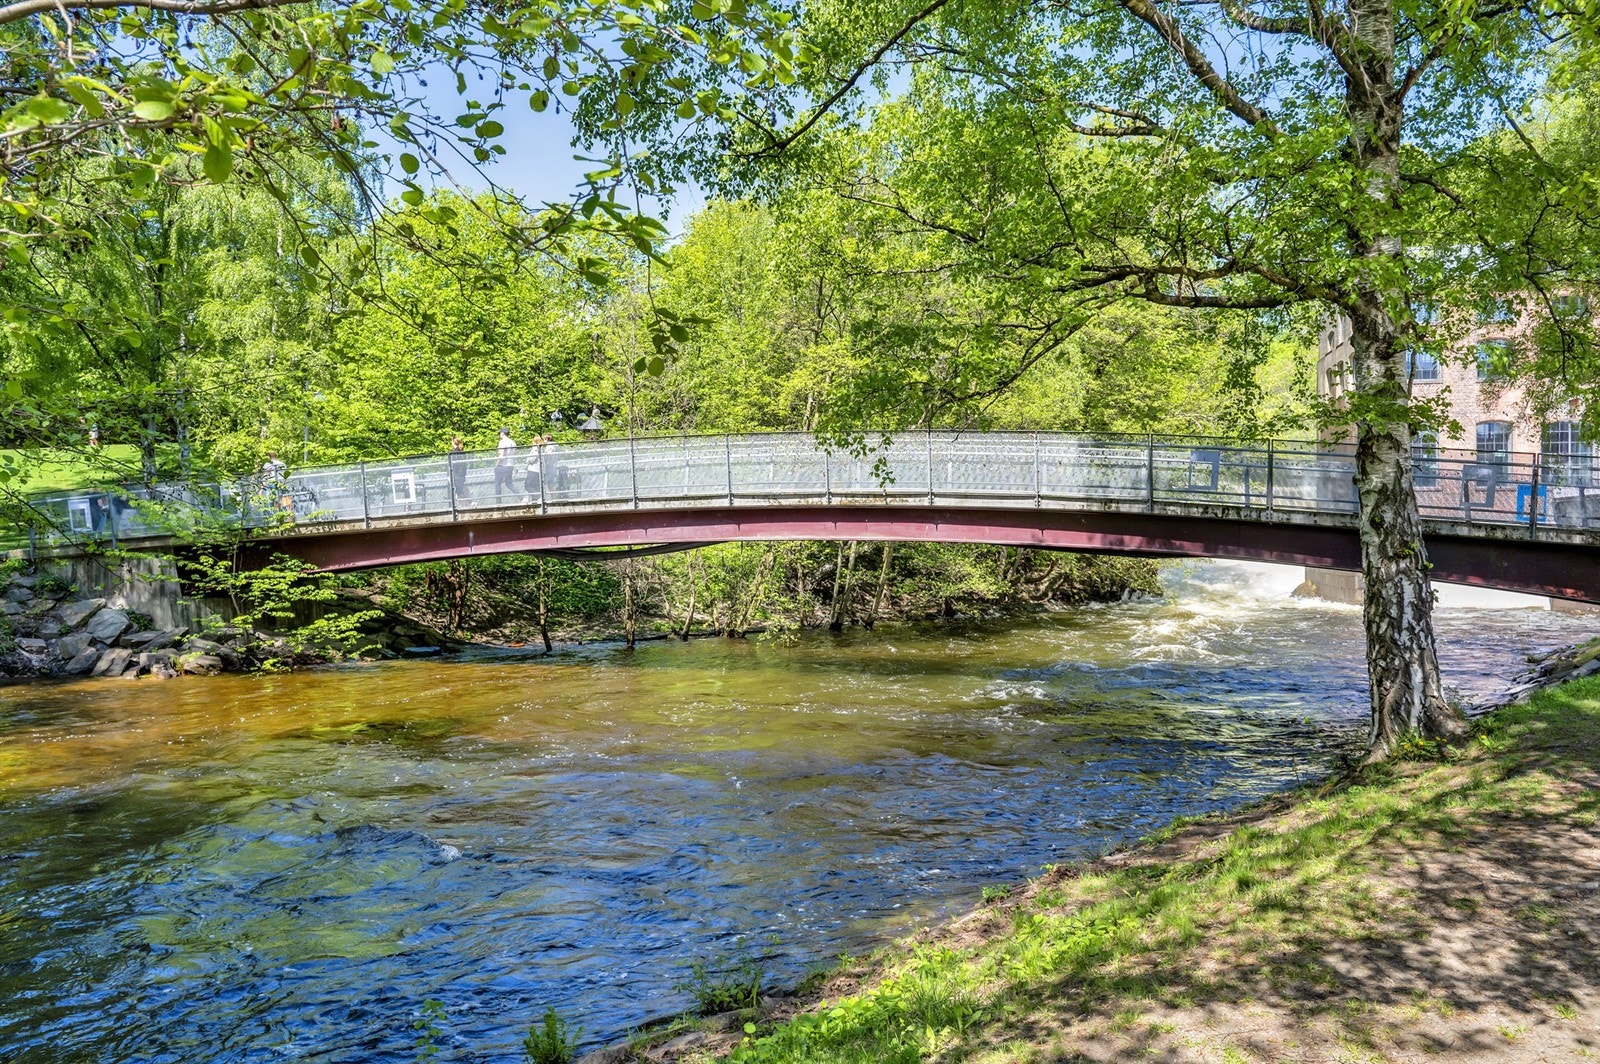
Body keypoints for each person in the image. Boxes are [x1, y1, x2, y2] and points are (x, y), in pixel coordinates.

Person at [494, 427, 517, 501]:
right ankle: (522, 497)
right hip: (510, 465)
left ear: (502, 433)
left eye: (500, 433)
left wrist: (496, 465)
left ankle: (498, 502)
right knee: (509, 483)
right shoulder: (513, 442)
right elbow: (514, 455)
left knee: (497, 483)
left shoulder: (502, 442)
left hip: (503, 465)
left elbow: (501, 455)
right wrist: (514, 465)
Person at [449, 436, 471, 502]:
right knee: (460, 490)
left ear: (454, 443)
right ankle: (469, 502)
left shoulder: (454, 452)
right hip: (462, 474)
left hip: (457, 474)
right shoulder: (461, 451)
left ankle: (469, 503)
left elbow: (454, 464)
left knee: (459, 492)